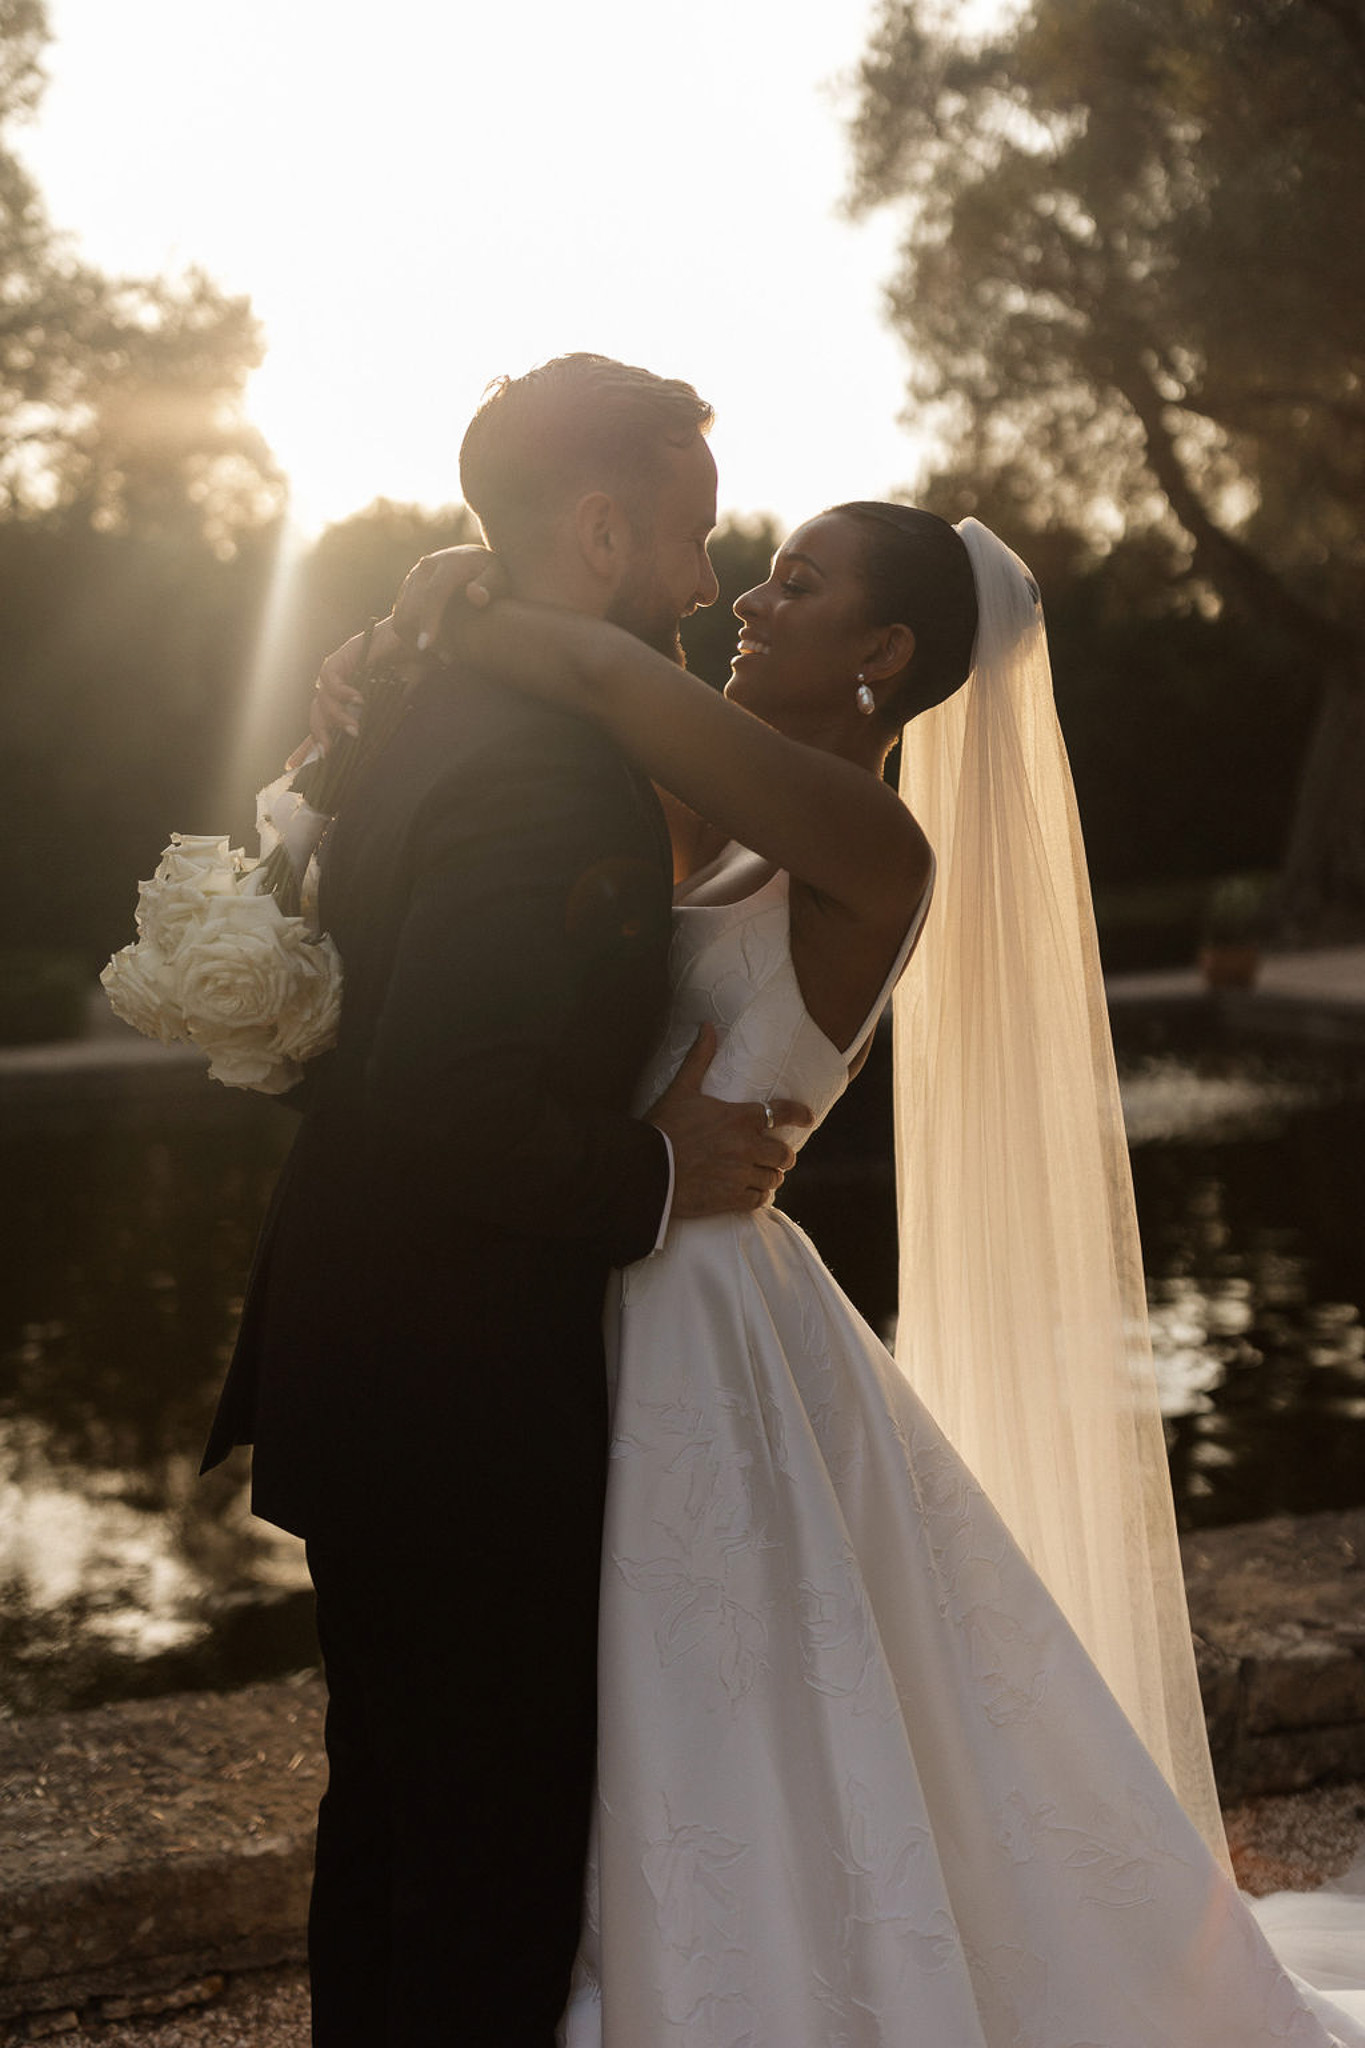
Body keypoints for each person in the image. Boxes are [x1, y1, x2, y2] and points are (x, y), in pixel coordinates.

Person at [314, 501, 1365, 2044]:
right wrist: (375, 707)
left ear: (883, 655)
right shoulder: (702, 812)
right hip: (593, 1269)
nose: (746, 596)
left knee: (705, 1703)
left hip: (695, 1318)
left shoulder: (869, 841)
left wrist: (446, 609)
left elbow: (605, 683)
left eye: (795, 585)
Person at [199, 355, 807, 2048]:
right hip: (454, 1396)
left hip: (374, 1365)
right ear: (600, 530)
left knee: (392, 1818)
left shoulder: (428, 693)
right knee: (487, 1855)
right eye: (685, 537)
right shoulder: (544, 765)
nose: (705, 579)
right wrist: (665, 1169)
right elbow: (448, 1095)